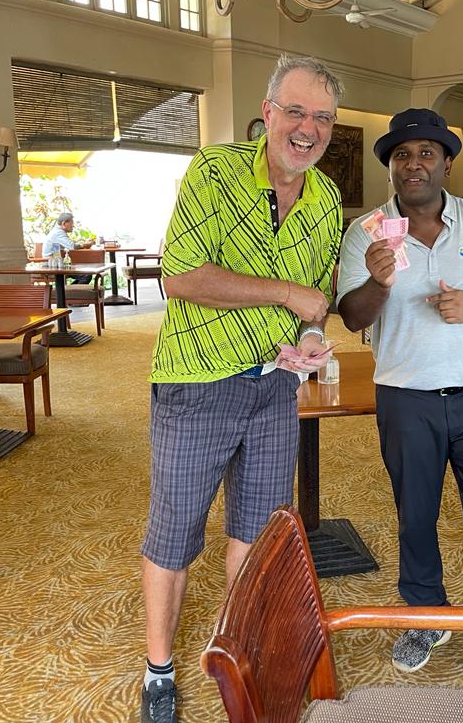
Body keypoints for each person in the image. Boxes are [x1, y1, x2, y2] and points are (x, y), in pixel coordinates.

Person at [139, 54, 343, 723]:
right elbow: (180, 274)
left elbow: (317, 302)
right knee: (174, 534)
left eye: (322, 117)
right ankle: (158, 670)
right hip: (197, 381)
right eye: (295, 111)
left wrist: (309, 339)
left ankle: (239, 650)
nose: (307, 129)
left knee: (257, 534)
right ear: (267, 112)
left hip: (274, 388)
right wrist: (285, 293)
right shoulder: (215, 170)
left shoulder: (327, 200)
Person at [336, 108, 463, 675]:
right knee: (415, 514)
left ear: (447, 163)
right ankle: (426, 615)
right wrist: (379, 282)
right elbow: (352, 316)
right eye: (402, 154)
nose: (413, 163)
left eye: (426, 152)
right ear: (391, 167)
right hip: (407, 398)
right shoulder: (367, 231)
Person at [42, 212, 94, 283]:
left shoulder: (56, 231)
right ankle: (69, 290)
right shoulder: (58, 233)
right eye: (71, 223)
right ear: (64, 223)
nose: (73, 226)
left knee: (85, 273)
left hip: (55, 263)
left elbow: (58, 250)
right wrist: (85, 245)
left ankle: (68, 290)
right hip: (52, 266)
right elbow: (72, 246)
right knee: (86, 275)